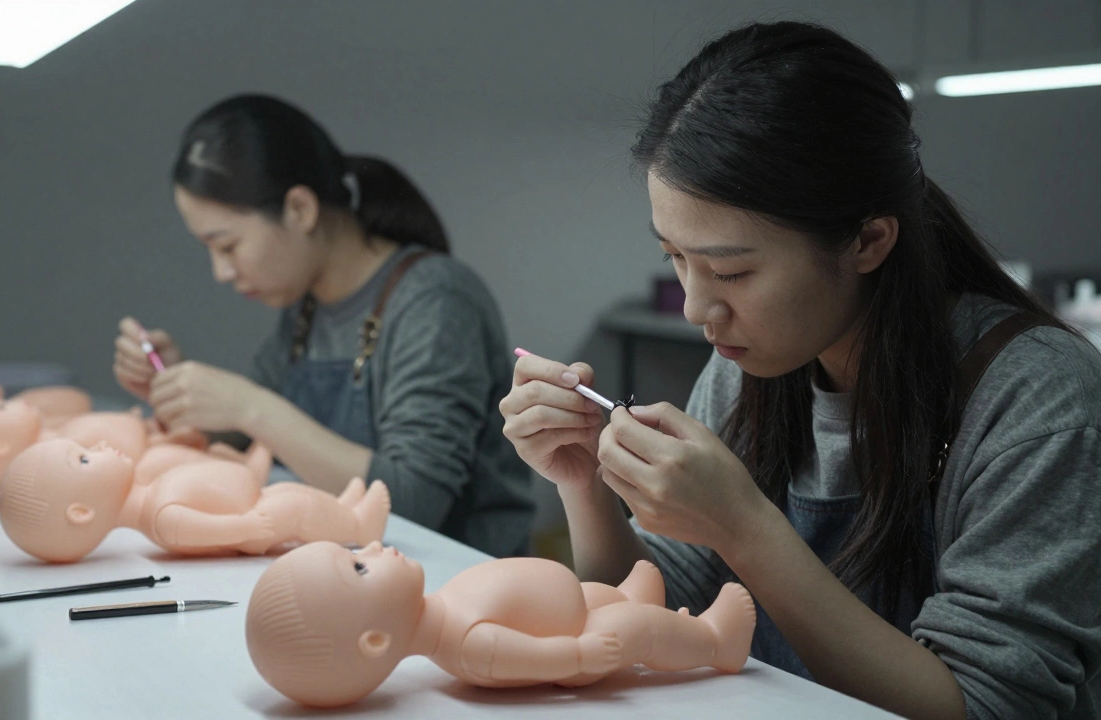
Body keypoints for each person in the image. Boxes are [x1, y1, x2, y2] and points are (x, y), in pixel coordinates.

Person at [499, 21, 1101, 720]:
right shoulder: (751, 368)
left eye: (731, 269)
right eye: (675, 257)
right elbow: (656, 619)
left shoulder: (1039, 404)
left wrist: (745, 526)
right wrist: (586, 487)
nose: (698, 307)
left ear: (869, 241)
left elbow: (983, 705)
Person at [113, 94, 532, 557]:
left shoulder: (433, 300)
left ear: (299, 210)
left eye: (227, 246)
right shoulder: (307, 307)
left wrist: (250, 407)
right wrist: (179, 390)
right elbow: (245, 436)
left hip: (454, 583)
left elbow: (412, 502)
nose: (221, 272)